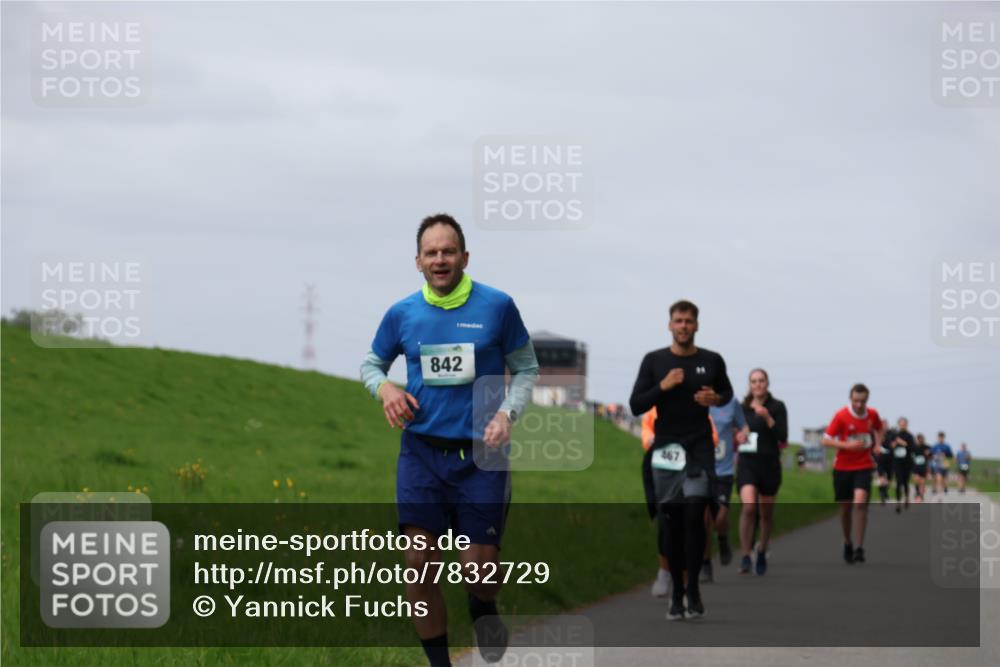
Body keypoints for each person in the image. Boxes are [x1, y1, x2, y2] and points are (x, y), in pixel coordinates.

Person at [360, 214, 539, 667]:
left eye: (448, 251)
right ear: (418, 262)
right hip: (421, 454)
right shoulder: (402, 314)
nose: (440, 259)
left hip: (482, 456)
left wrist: (506, 413)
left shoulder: (497, 306)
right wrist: (385, 389)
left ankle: (482, 606)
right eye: (431, 253)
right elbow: (371, 365)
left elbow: (526, 368)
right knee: (418, 566)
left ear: (464, 257)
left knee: (477, 573)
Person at [631, 300, 733, 621]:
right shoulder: (655, 361)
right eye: (678, 321)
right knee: (671, 523)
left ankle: (694, 590)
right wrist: (662, 386)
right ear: (670, 325)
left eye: (689, 321)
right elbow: (636, 404)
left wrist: (715, 399)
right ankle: (677, 592)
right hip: (666, 449)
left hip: (699, 446)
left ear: (697, 325)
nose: (683, 326)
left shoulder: (712, 360)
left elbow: (727, 393)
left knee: (695, 516)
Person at [821, 383, 884, 565]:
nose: (859, 405)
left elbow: (879, 428)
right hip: (843, 468)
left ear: (867, 401)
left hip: (863, 466)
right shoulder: (841, 416)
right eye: (856, 401)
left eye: (862, 401)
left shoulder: (872, 414)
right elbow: (826, 440)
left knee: (860, 504)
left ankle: (859, 548)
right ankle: (847, 541)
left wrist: (878, 443)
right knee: (845, 510)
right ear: (850, 399)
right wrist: (846, 445)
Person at [736, 368, 788, 575]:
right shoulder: (742, 408)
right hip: (747, 463)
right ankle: (745, 554)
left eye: (761, 380)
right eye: (754, 381)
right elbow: (733, 430)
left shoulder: (777, 406)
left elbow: (783, 436)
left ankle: (763, 549)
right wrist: (737, 435)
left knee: (766, 513)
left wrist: (767, 417)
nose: (758, 384)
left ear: (767, 383)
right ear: (750, 384)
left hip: (769, 464)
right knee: (749, 508)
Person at [701, 396, 747, 583]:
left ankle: (722, 538)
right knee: (704, 520)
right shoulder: (696, 400)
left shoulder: (731, 402)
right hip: (702, 468)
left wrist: (742, 434)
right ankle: (706, 564)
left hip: (724, 470)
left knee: (719, 517)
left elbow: (744, 426)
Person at [890, 417, 916, 512]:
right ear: (898, 424)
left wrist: (903, 443)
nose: (902, 425)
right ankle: (898, 503)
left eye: (904, 424)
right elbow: (890, 447)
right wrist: (893, 444)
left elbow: (913, 448)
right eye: (901, 424)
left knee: (905, 482)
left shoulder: (909, 436)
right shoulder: (894, 435)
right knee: (898, 482)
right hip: (897, 462)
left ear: (906, 425)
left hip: (907, 462)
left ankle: (906, 498)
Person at [876, 419, 895, 505]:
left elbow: (895, 443)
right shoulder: (877, 433)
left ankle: (885, 491)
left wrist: (893, 444)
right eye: (882, 424)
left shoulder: (892, 433)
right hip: (880, 459)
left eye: (885, 424)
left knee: (889, 478)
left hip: (890, 459)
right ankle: (882, 493)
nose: (884, 426)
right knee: (881, 476)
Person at [931, 432, 955, 496]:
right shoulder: (935, 446)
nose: (941, 439)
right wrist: (935, 456)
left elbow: (950, 455)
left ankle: (945, 488)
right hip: (937, 464)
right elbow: (931, 454)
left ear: (944, 438)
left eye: (942, 437)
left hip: (945, 464)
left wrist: (950, 458)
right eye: (939, 437)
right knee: (938, 477)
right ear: (938, 438)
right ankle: (938, 490)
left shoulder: (947, 446)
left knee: (944, 478)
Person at [911, 433, 931, 502]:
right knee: (916, 479)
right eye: (919, 439)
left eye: (922, 439)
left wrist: (928, 453)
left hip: (923, 467)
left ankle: (920, 494)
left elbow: (931, 456)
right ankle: (917, 492)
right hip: (916, 467)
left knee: (922, 481)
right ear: (917, 439)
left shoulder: (927, 447)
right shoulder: (914, 447)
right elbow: (910, 454)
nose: (920, 440)